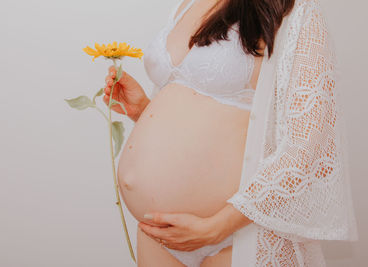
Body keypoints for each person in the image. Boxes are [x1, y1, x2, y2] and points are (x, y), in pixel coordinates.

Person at [103, 0, 358, 266]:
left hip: (237, 231)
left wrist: (217, 227)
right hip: (160, 232)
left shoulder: (296, 11)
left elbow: (306, 147)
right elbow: (196, 119)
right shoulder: (189, 4)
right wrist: (143, 109)